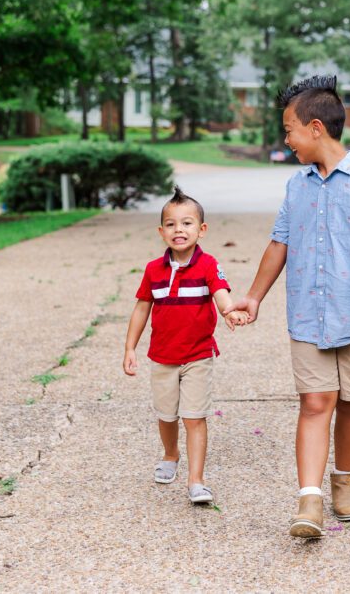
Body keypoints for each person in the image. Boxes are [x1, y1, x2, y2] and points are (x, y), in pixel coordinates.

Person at [231, 75, 350, 537]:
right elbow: (279, 244)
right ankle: (308, 499)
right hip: (308, 315)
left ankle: (343, 481)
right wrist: (253, 296)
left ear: (315, 128)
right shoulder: (297, 186)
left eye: (288, 129)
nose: (285, 139)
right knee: (315, 402)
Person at [123, 186, 250, 504]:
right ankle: (170, 454)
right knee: (166, 415)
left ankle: (196, 481)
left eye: (187, 223)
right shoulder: (154, 270)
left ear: (202, 229)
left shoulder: (208, 265)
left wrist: (229, 311)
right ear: (161, 231)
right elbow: (141, 308)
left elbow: (221, 292)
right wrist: (129, 348)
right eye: (171, 224)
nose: (179, 229)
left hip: (197, 355)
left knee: (194, 416)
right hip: (163, 357)